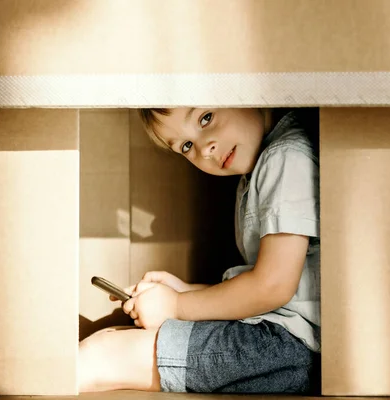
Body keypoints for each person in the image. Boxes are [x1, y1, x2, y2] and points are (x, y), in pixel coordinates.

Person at [78, 108, 320, 394]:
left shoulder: (284, 158)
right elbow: (272, 285)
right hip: (274, 344)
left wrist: (177, 306)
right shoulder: (262, 167)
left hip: (281, 349)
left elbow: (273, 286)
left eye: (206, 118)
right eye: (186, 146)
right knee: (107, 342)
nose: (206, 149)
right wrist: (186, 292)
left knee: (103, 356)